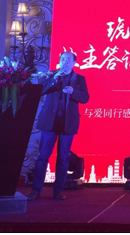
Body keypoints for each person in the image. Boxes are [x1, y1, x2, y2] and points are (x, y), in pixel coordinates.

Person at [28, 52, 89, 201]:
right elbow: (40, 91)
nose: (64, 62)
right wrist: (53, 80)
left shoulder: (79, 79)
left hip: (67, 124)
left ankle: (58, 190)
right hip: (50, 122)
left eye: (68, 60)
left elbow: (85, 98)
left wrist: (73, 92)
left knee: (63, 158)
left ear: (74, 63)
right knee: (42, 157)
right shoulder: (51, 75)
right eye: (62, 59)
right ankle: (36, 190)